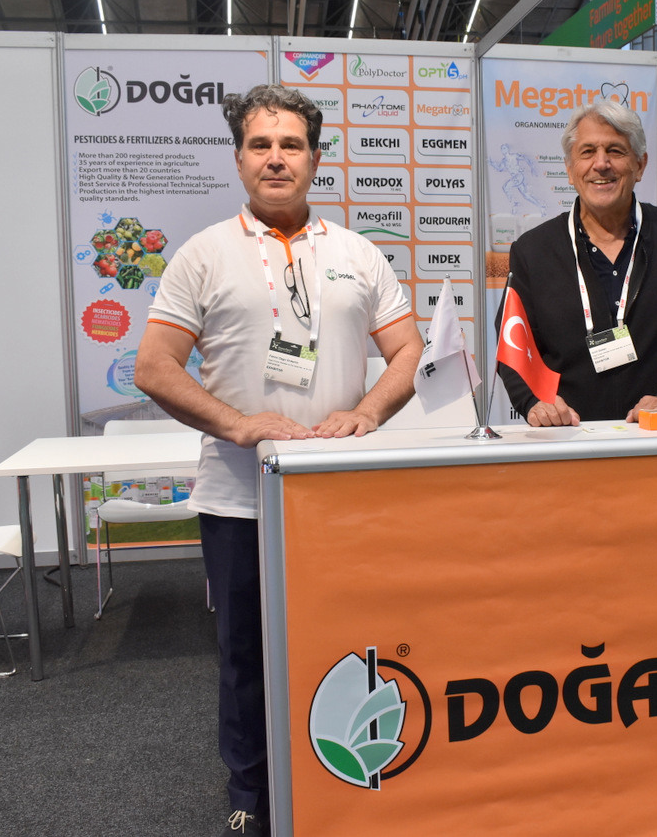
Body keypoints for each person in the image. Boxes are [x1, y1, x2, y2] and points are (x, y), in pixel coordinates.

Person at [134, 84, 423, 836]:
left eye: (290, 144)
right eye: (260, 145)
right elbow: (154, 367)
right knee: (245, 654)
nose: (275, 158)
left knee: (348, 644)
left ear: (315, 159)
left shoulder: (357, 253)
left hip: (340, 499)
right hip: (241, 502)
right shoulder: (203, 254)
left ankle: (347, 775)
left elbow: (408, 350)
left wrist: (367, 413)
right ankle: (252, 792)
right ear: (238, 160)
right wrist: (236, 425)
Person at [496, 100, 657, 427]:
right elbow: (512, 342)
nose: (601, 164)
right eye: (587, 152)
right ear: (570, 169)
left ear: (640, 165)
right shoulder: (533, 250)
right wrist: (534, 400)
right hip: (567, 436)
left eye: (615, 151)